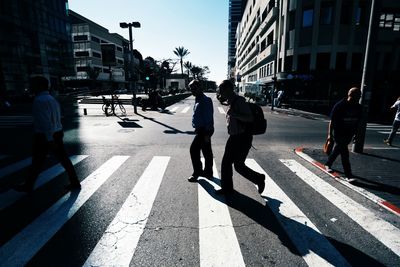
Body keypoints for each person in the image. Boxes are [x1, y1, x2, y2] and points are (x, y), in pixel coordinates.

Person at [13, 76, 80, 193]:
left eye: (32, 84)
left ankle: (28, 185)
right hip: (56, 133)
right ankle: (74, 182)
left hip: (45, 136)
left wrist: (50, 139)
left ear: (38, 86)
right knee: (62, 159)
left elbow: (45, 122)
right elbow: (57, 118)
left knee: (37, 161)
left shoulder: (39, 101)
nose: (30, 87)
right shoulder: (52, 99)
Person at [216, 80, 265, 195]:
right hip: (234, 137)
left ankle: (258, 179)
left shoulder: (240, 101)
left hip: (242, 138)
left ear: (228, 89)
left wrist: (235, 114)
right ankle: (257, 179)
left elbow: (250, 118)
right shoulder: (231, 101)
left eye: (221, 90)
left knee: (234, 165)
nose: (220, 92)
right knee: (233, 164)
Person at [324, 87, 362, 178]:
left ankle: (328, 163)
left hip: (349, 133)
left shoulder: (358, 107)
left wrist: (356, 134)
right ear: (350, 95)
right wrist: (330, 135)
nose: (359, 98)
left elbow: (357, 122)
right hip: (339, 132)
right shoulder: (340, 105)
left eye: (359, 96)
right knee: (344, 153)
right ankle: (348, 175)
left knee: (338, 149)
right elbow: (332, 121)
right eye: (357, 96)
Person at [188, 80, 214, 182]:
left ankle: (197, 172)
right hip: (201, 129)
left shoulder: (205, 100)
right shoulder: (198, 99)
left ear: (200, 88)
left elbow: (208, 117)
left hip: (205, 130)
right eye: (191, 89)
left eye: (194, 88)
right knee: (206, 151)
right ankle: (208, 172)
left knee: (194, 150)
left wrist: (207, 133)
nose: (192, 91)